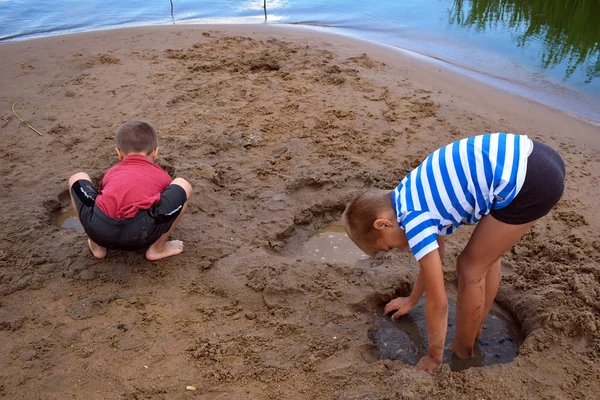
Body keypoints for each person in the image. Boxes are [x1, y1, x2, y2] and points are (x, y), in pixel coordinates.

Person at [342, 133, 565, 372]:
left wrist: (434, 356)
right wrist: (412, 299)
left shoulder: (413, 221)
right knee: (486, 257)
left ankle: (463, 350)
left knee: (470, 267)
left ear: (382, 224)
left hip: (530, 182)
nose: (399, 248)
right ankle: (475, 328)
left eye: (389, 246)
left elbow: (439, 304)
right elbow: (434, 256)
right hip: (534, 155)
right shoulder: (407, 193)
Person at [68, 120, 192, 260]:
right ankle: (157, 248)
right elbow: (164, 202)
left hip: (99, 230)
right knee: (183, 184)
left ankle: (97, 246)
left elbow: (102, 194)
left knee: (77, 177)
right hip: (142, 234)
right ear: (155, 152)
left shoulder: (112, 172)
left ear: (119, 153)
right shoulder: (161, 175)